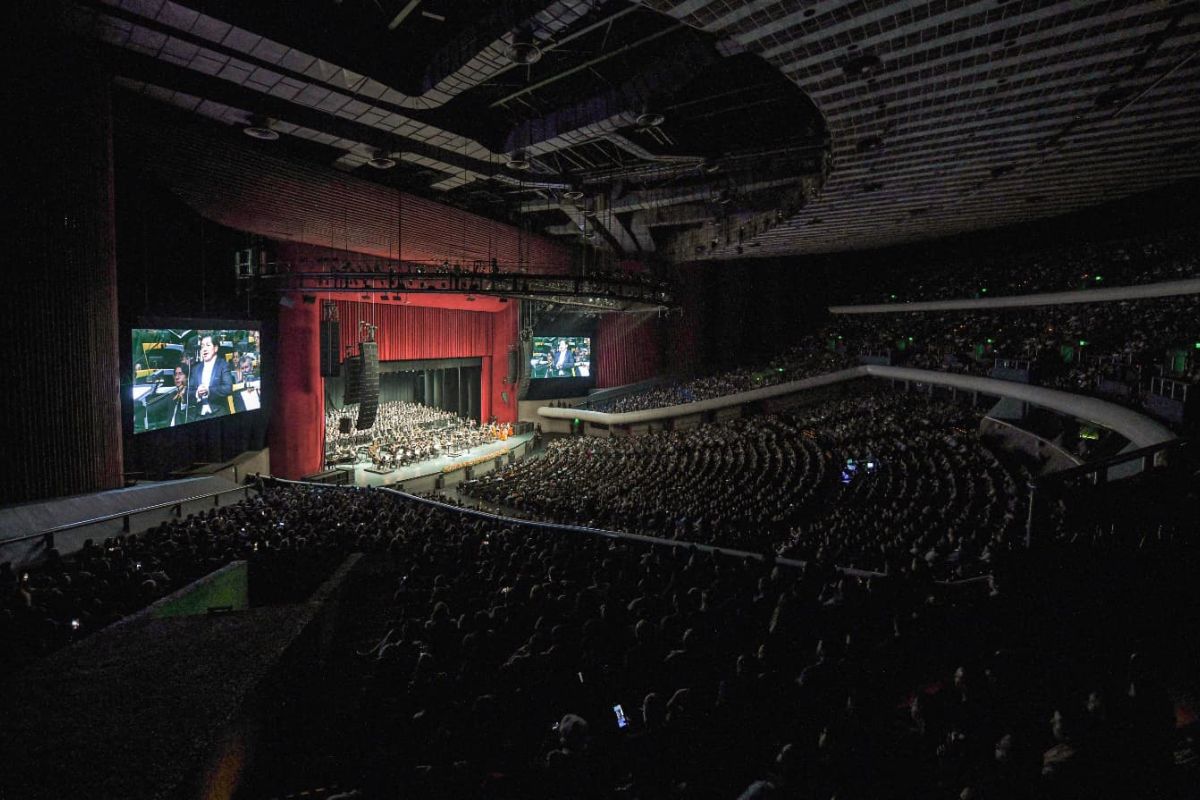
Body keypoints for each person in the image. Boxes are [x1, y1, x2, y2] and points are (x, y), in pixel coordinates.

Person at [187, 333, 234, 417]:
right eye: (202, 346)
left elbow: (228, 388)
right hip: (199, 415)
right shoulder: (195, 368)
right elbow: (188, 392)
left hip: (218, 412)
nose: (204, 349)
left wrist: (208, 390)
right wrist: (197, 393)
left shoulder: (223, 365)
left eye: (208, 345)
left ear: (215, 348)